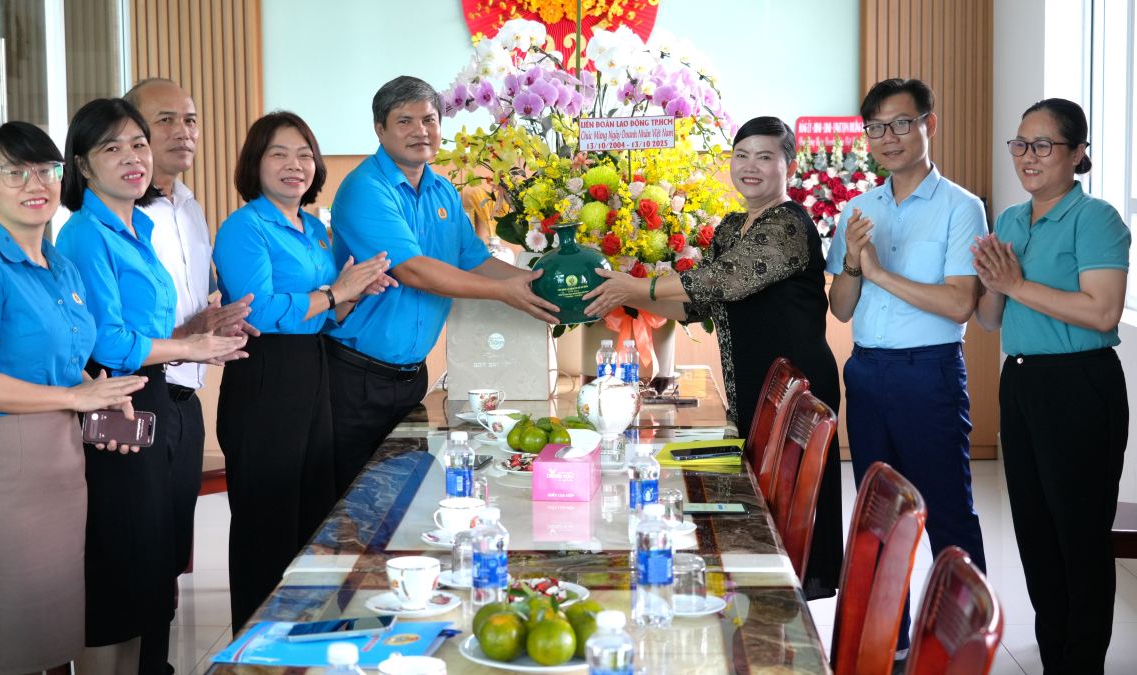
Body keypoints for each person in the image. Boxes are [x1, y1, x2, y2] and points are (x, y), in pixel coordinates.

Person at [581, 117, 843, 599]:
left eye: (765, 157)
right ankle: (762, 595)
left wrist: (633, 286)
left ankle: (785, 610)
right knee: (760, 491)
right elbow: (697, 304)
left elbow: (719, 281)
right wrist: (622, 294)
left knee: (789, 500)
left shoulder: (787, 224)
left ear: (789, 164)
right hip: (755, 376)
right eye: (742, 155)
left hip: (796, 382)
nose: (750, 167)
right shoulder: (732, 225)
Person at [0, 121, 146, 675]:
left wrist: (102, 395)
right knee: (2, 645)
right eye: (15, 172)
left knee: (50, 642)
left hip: (61, 467)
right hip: (2, 475)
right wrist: (76, 398)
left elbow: (67, 361)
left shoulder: (62, 267)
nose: (35, 183)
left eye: (45, 170)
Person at [55, 98, 247, 674]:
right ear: (83, 166)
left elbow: (145, 326)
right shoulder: (86, 236)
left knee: (157, 559)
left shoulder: (138, 225)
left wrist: (198, 328)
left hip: (160, 395)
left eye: (137, 144)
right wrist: (190, 347)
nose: (132, 158)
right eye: (111, 149)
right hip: (119, 403)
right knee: (121, 566)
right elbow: (110, 342)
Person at [325, 75, 559, 498]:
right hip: (356, 378)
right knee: (356, 505)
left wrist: (535, 284)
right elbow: (413, 270)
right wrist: (507, 294)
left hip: (413, 376)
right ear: (379, 129)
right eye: (405, 121)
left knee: (404, 499)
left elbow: (475, 260)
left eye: (429, 119)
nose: (421, 131)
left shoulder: (443, 190)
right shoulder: (366, 189)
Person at [213, 111, 395, 632]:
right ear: (256, 163)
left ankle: (305, 638)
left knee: (312, 517)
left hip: (314, 375)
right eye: (279, 154)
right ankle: (256, 647)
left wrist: (354, 292)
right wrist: (336, 291)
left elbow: (323, 313)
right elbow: (260, 311)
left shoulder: (315, 229)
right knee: (266, 523)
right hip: (265, 377)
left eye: (304, 155)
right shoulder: (244, 226)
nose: (295, 165)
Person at [825, 78, 987, 665]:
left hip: (929, 373)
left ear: (929, 125)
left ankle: (959, 646)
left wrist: (878, 270)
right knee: (879, 516)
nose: (887, 138)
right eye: (875, 128)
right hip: (866, 374)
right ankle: (885, 643)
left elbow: (958, 304)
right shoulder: (858, 209)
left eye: (900, 123)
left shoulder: (961, 207)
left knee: (946, 512)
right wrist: (851, 262)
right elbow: (842, 307)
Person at [972, 98, 1128, 674]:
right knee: (1035, 534)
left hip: (1080, 387)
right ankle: (1055, 653)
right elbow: (991, 320)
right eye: (1020, 144)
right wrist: (992, 283)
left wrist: (1015, 281)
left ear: (1078, 152)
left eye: (1043, 145)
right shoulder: (1011, 220)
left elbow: (1103, 312)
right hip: (1021, 384)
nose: (1028, 157)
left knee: (1079, 536)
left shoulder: (1098, 219)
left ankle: (1080, 663)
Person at [125, 78, 257, 604]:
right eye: (165, 120)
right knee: (139, 555)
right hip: (135, 397)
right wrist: (190, 335)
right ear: (132, 134)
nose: (183, 132)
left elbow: (192, 305)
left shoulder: (190, 207)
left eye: (191, 119)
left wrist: (217, 321)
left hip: (186, 398)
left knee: (173, 551)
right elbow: (115, 334)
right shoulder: (120, 216)